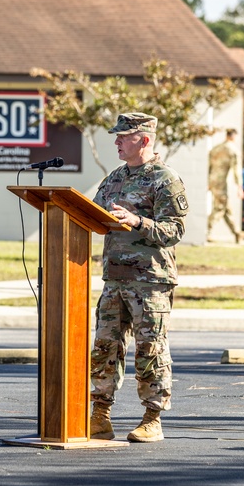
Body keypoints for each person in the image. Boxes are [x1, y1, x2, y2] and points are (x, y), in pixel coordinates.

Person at [90, 112, 189, 443]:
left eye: (123, 136)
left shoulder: (165, 180)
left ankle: (152, 418)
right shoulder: (114, 178)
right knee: (105, 347)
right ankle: (100, 415)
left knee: (151, 349)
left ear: (144, 139)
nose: (116, 141)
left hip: (150, 281)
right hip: (114, 279)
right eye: (116, 136)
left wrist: (137, 221)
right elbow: (91, 213)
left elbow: (174, 230)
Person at [207, 128, 243, 243]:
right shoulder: (233, 150)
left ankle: (237, 233)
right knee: (220, 208)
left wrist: (208, 182)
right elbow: (236, 170)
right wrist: (239, 187)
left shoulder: (215, 149)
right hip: (221, 183)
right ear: (233, 136)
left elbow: (209, 166)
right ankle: (207, 231)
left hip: (213, 181)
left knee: (226, 208)